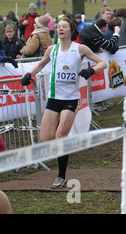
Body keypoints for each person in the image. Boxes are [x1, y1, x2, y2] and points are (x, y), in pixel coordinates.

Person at [21, 18, 107, 188]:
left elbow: (103, 63)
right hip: (54, 99)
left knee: (61, 135)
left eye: (64, 27)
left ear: (71, 30)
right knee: (46, 138)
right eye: (58, 27)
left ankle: (61, 177)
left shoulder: (80, 48)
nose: (60, 29)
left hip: (71, 99)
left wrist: (91, 70)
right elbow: (41, 64)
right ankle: (64, 151)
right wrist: (29, 75)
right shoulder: (52, 50)